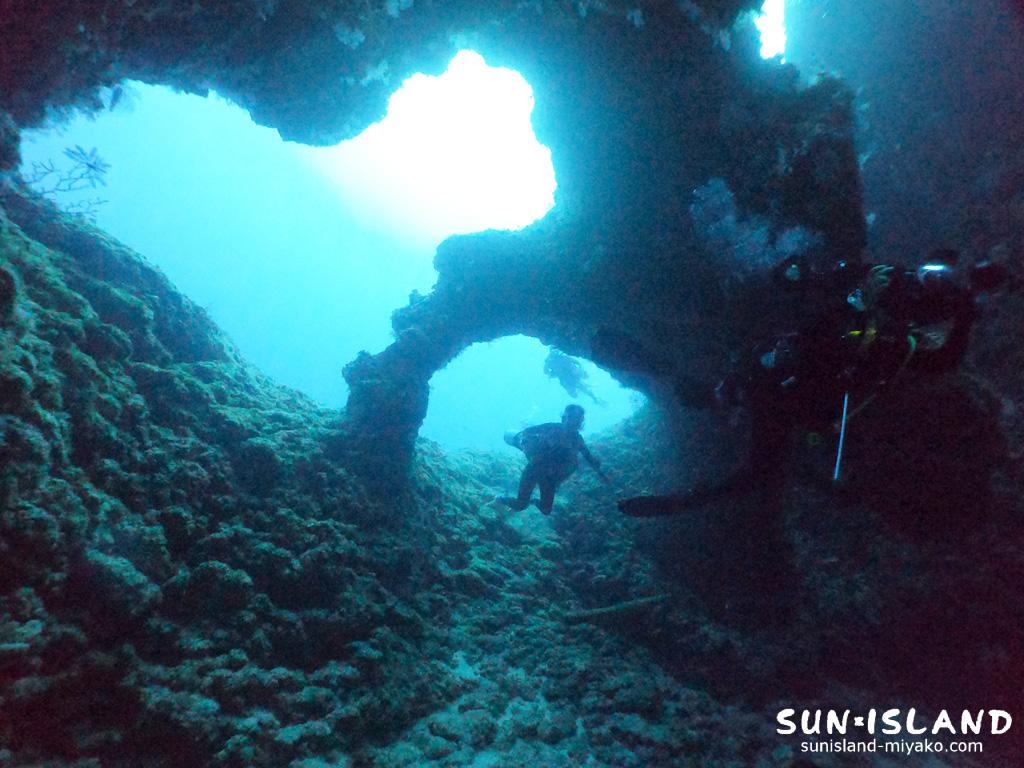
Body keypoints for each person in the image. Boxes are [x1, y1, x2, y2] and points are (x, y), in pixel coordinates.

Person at [619, 250, 1014, 518]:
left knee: (762, 460)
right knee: (741, 394)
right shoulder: (884, 277)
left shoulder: (907, 338)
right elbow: (808, 282)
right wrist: (801, 274)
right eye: (932, 274)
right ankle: (697, 396)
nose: (930, 283)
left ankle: (690, 498)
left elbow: (940, 363)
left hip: (815, 397)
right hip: (790, 371)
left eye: (943, 283)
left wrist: (961, 322)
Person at [500, 404, 609, 515]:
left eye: (577, 419)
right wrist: (527, 446)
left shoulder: (577, 440)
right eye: (570, 417)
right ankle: (499, 499)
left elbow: (589, 458)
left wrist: (601, 474)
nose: (572, 422)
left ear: (581, 422)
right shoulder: (552, 427)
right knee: (521, 504)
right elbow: (527, 431)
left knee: (546, 510)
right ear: (564, 418)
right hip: (534, 469)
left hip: (549, 478)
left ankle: (532, 501)